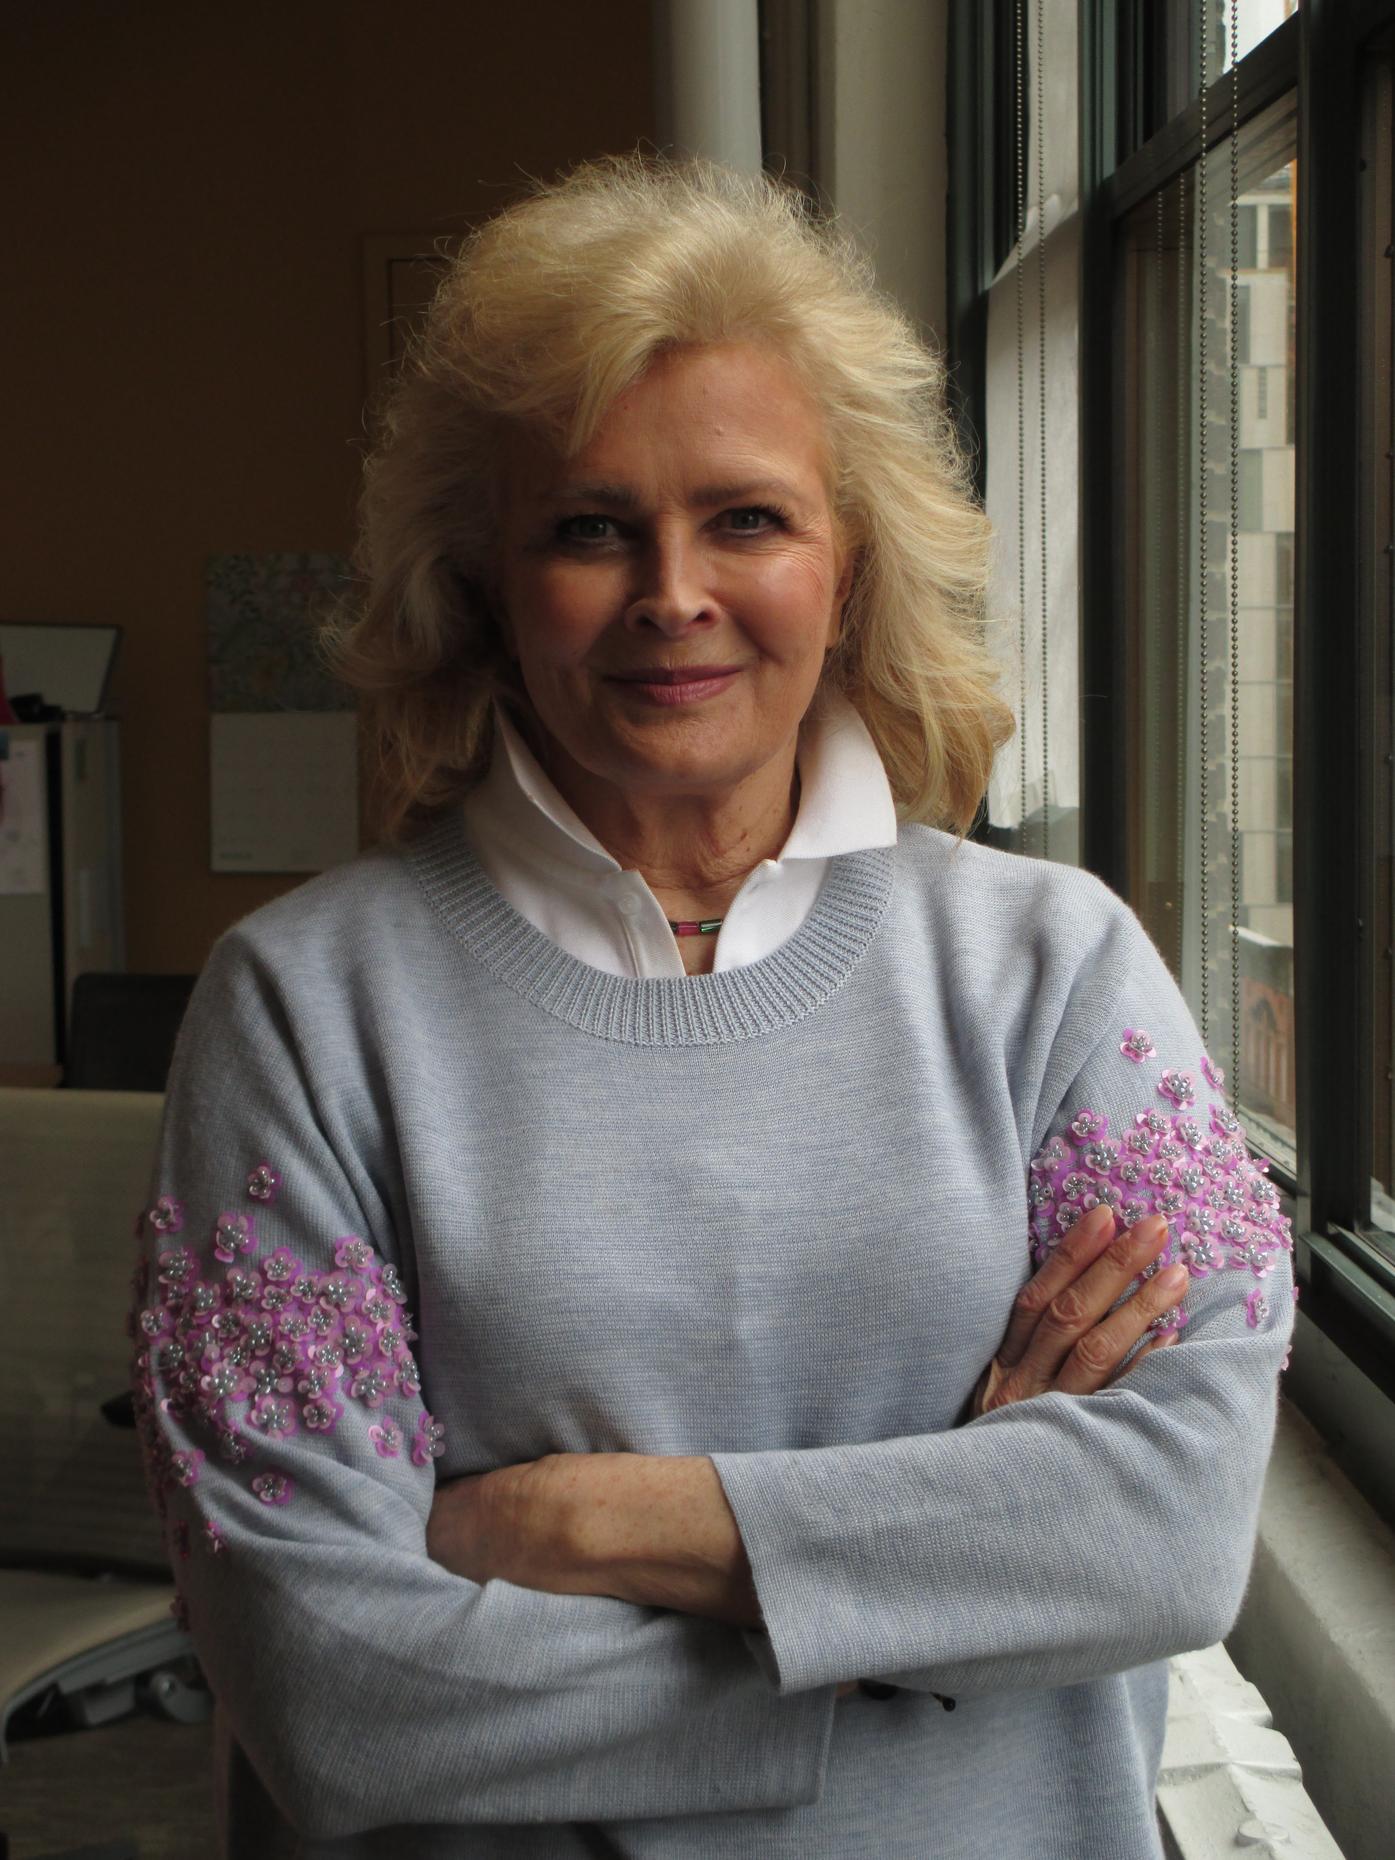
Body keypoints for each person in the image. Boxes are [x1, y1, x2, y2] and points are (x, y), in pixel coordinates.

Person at [127, 153, 1295, 1859]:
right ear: (485, 583)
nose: (674, 593)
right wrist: (949, 1589)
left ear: (850, 564)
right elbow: (335, 1692)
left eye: (747, 517)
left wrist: (590, 1524)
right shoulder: (308, 1010)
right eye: (591, 528)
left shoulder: (1057, 973)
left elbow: (1172, 1535)